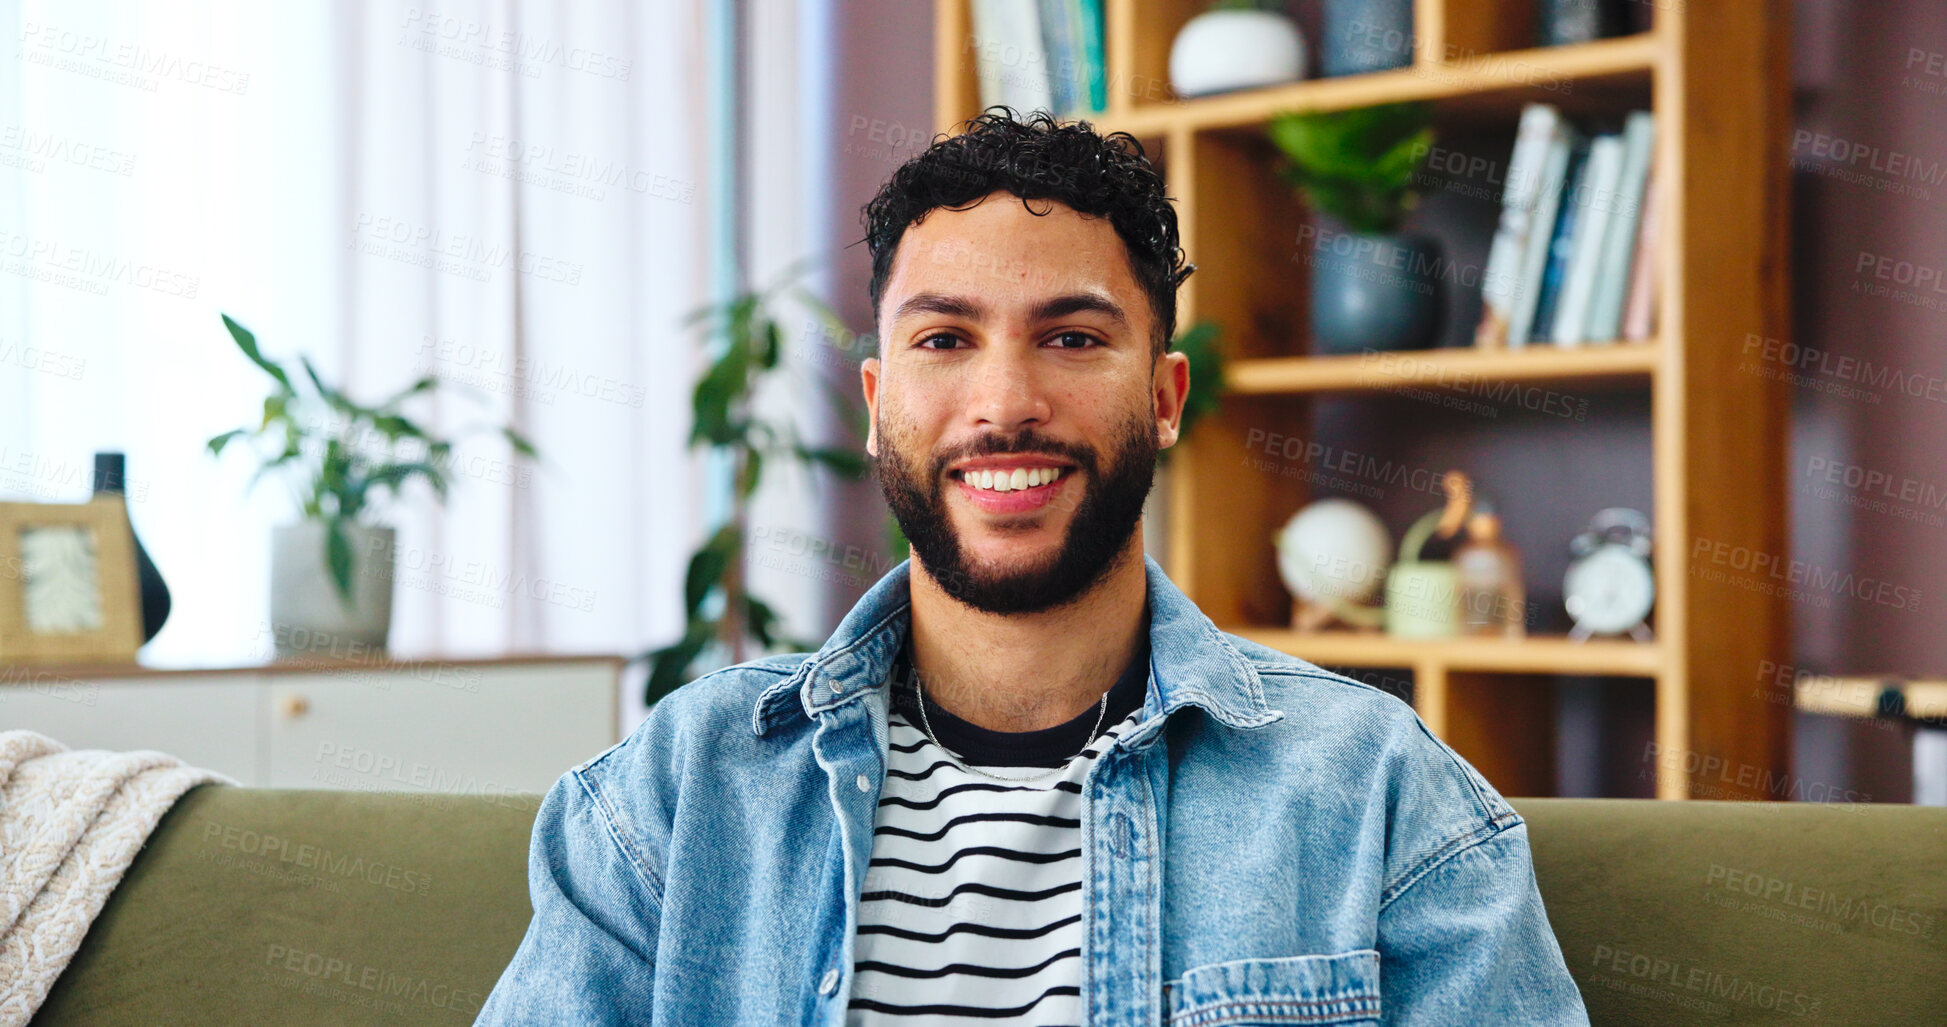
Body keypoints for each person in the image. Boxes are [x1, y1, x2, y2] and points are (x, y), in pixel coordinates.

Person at [476, 106, 1590, 1026]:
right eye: (944, 339)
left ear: (1163, 400)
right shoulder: (676, 796)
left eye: (1072, 337)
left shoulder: (1377, 795)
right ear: (877, 406)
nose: (1006, 403)